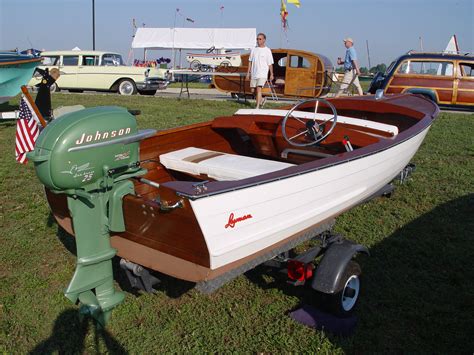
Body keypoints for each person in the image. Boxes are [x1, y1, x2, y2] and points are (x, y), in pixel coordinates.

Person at [246, 33, 274, 109]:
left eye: (260, 39)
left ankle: (257, 106)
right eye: (257, 39)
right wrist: (248, 73)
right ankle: (262, 100)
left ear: (264, 40)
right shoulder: (253, 50)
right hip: (254, 73)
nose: (258, 40)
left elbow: (270, 63)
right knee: (252, 90)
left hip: (262, 74)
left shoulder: (267, 50)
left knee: (259, 89)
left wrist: (271, 74)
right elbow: (250, 61)